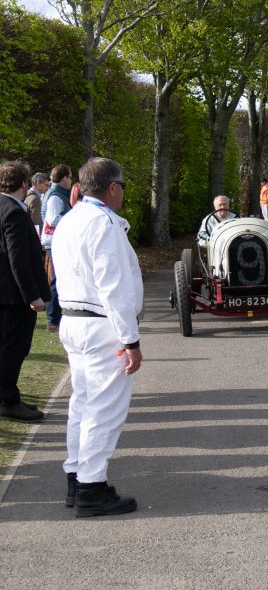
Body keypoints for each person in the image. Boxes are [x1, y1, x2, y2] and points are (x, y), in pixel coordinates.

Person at [51, 157, 143, 517]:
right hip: (100, 323)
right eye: (122, 186)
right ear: (113, 188)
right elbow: (114, 286)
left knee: (83, 404)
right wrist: (131, 340)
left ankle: (77, 476)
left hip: (75, 319)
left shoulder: (70, 220)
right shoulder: (103, 223)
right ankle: (91, 485)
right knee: (104, 410)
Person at [0, 161, 50, 423]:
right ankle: (8, 401)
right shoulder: (13, 212)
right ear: (23, 184)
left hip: (6, 292)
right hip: (14, 295)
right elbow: (17, 258)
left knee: (7, 347)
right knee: (15, 348)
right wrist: (33, 296)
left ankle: (8, 396)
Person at [40, 164, 73, 333]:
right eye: (70, 177)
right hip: (55, 242)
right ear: (64, 178)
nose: (71, 180)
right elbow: (52, 219)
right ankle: (53, 320)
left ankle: (55, 318)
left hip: (57, 241)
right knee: (56, 280)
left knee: (58, 279)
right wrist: (73, 218)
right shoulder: (55, 196)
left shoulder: (58, 194)